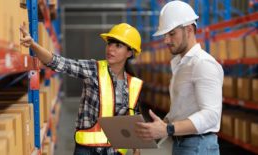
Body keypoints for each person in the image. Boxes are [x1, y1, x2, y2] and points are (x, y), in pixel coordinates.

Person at [20, 23, 142, 155]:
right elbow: (58, 62)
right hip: (86, 150)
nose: (111, 49)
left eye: (118, 46)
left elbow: (132, 120)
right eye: (110, 43)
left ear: (129, 52)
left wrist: (136, 148)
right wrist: (33, 44)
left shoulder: (133, 84)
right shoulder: (93, 69)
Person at [135, 1, 224, 155]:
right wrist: (160, 126)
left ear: (189, 29)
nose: (166, 40)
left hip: (198, 146)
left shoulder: (203, 64)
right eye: (165, 35)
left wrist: (168, 129)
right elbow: (182, 110)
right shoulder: (181, 65)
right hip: (183, 144)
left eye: (172, 33)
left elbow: (211, 116)